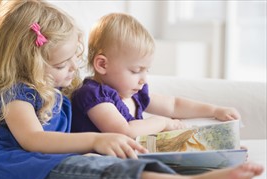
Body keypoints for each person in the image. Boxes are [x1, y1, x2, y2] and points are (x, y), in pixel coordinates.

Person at [0, 1, 263, 179]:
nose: (71, 72)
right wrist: (95, 140)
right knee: (86, 170)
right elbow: (33, 140)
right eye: (61, 66)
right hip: (6, 172)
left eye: (71, 62)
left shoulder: (57, 93)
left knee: (98, 167)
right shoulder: (16, 94)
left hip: (38, 169)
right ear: (26, 63)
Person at [70, 13, 241, 139]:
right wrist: (163, 123)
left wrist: (214, 110)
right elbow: (125, 131)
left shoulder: (135, 93)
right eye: (136, 70)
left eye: (147, 70)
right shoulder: (93, 95)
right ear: (102, 65)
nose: (143, 79)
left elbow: (174, 105)